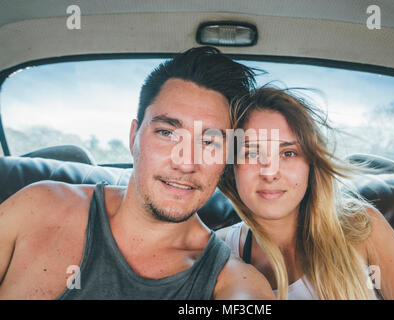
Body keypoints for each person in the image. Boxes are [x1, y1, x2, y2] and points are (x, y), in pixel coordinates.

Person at [0, 47, 275, 300]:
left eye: (209, 142)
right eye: (167, 133)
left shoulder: (234, 283)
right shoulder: (36, 207)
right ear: (134, 136)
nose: (185, 163)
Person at [217, 87, 394, 300]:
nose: (269, 172)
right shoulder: (219, 249)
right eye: (251, 153)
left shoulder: (360, 228)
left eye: (288, 153)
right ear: (231, 168)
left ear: (311, 164)